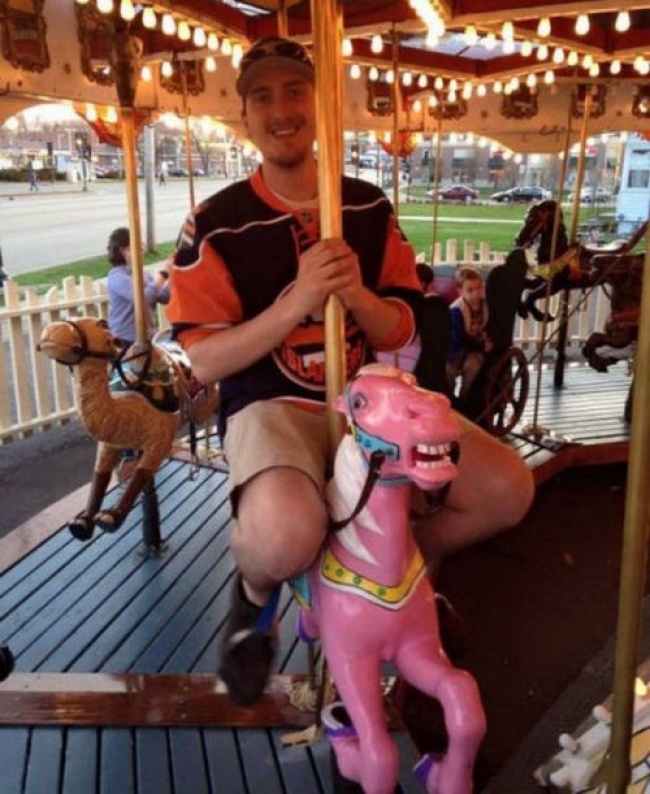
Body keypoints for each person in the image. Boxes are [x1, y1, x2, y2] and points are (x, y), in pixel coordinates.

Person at [167, 36, 534, 707]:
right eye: (262, 97)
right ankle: (252, 597)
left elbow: (404, 330)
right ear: (244, 117)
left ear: (320, 104)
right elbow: (205, 358)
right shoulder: (216, 225)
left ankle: (392, 576)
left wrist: (356, 293)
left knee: (506, 489)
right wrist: (297, 304)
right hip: (273, 406)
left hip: (373, 400)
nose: (281, 109)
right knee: (283, 536)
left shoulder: (364, 206)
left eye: (295, 91)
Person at [106, 226, 170, 348]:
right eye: (137, 247)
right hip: (124, 339)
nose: (142, 250)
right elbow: (143, 299)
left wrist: (176, 275)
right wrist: (163, 274)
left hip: (146, 336)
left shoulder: (143, 274)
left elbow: (163, 297)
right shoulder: (117, 277)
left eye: (141, 246)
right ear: (122, 251)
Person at [446, 266, 493, 398]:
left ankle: (465, 398)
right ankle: (448, 397)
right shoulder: (457, 310)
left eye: (479, 288)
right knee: (449, 369)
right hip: (457, 347)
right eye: (470, 290)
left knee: (473, 365)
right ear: (460, 291)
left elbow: (491, 325)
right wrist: (481, 345)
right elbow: (458, 337)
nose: (476, 293)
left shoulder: (486, 306)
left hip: (474, 349)